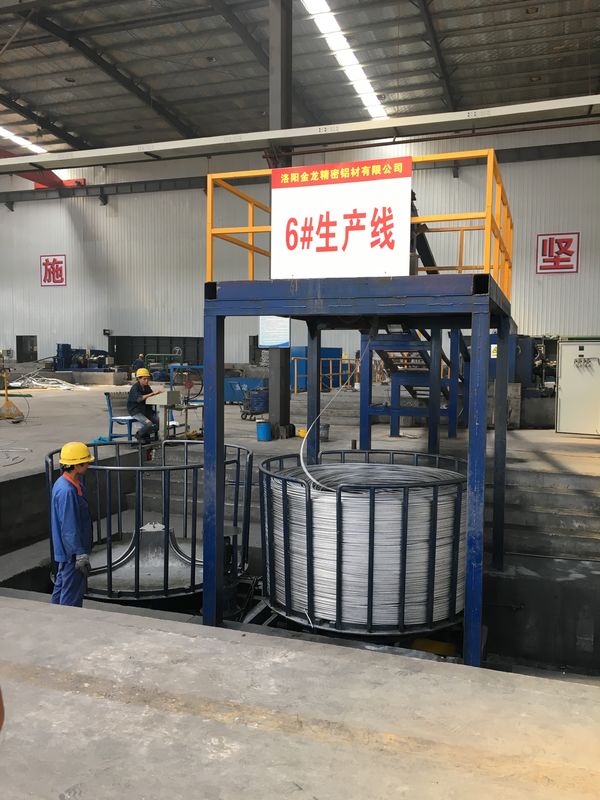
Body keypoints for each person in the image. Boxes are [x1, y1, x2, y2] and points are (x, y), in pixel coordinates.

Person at [51, 441, 94, 607]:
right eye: (86, 462)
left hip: (67, 551)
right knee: (72, 594)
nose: (88, 465)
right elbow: (69, 528)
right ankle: (68, 620)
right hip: (72, 553)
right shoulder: (67, 491)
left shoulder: (71, 484)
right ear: (76, 465)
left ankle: (53, 614)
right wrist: (79, 554)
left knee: (62, 585)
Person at [128, 367, 162, 443]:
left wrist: (159, 394)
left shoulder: (147, 387)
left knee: (160, 423)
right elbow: (139, 399)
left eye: (147, 379)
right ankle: (139, 434)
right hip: (136, 411)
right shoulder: (135, 388)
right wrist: (152, 393)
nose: (146, 381)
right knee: (149, 424)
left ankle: (145, 435)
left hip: (146, 410)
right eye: (144, 379)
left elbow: (152, 395)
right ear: (138, 379)